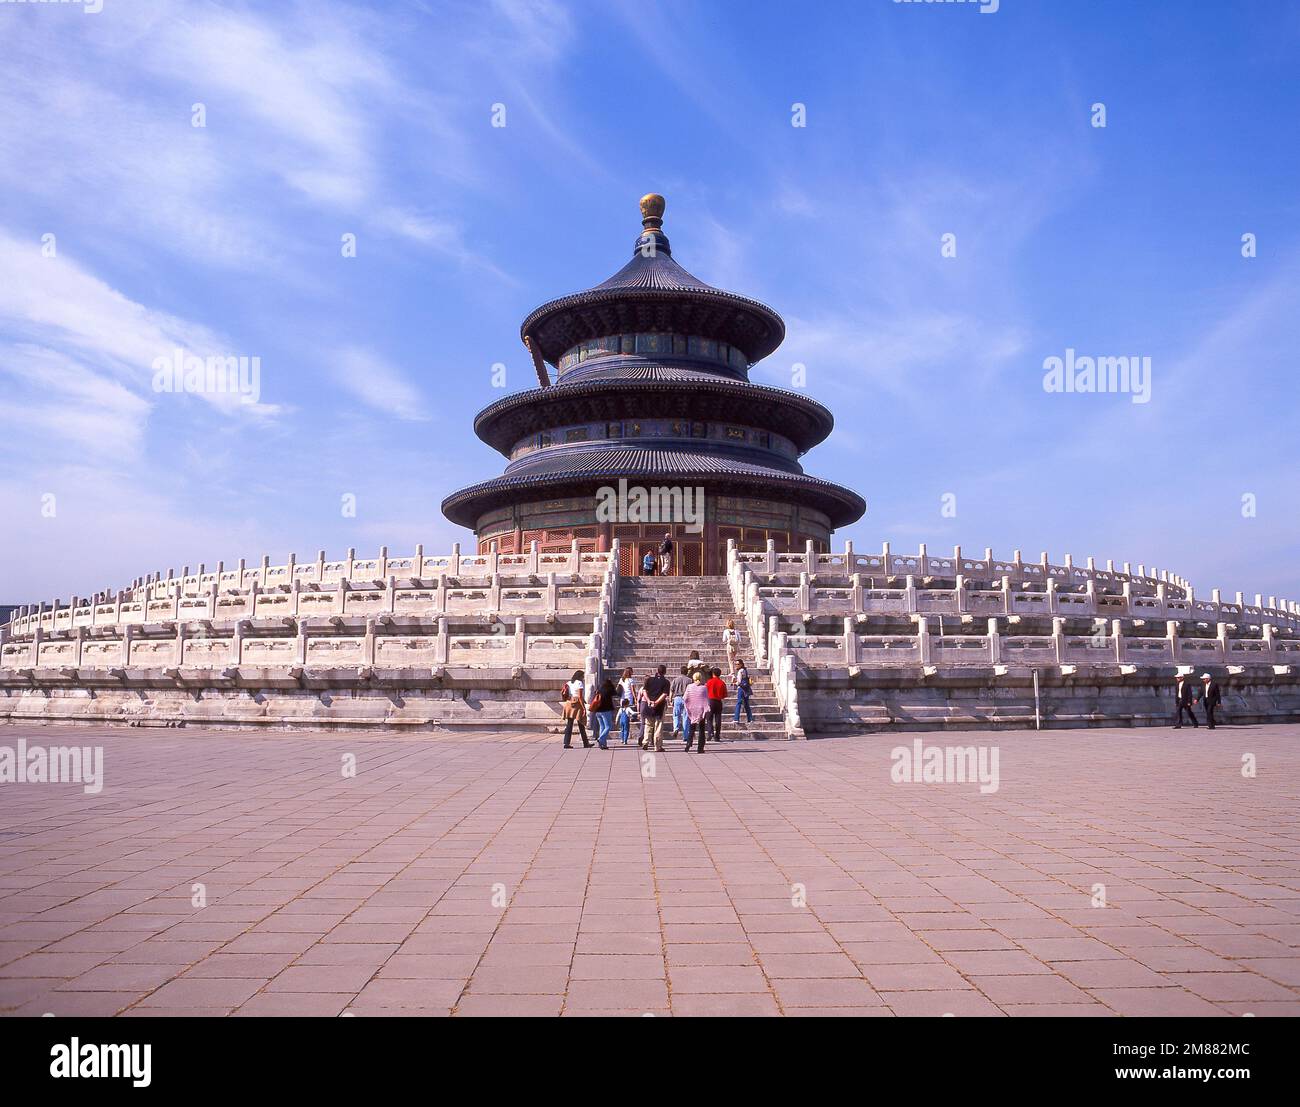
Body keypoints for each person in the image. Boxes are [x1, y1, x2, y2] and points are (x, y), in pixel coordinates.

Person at [641, 664, 671, 753]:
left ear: (657, 671)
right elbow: (664, 694)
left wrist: (649, 701)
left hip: (649, 705)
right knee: (658, 726)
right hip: (659, 707)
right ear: (664, 672)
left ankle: (645, 742)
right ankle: (657, 746)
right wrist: (656, 702)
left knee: (648, 725)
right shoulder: (666, 682)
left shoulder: (649, 680)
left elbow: (644, 691)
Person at [561, 670, 591, 749]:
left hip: (569, 703)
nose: (583, 678)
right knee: (581, 723)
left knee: (569, 724)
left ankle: (566, 743)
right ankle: (586, 743)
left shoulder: (569, 682)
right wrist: (584, 708)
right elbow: (580, 697)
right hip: (577, 703)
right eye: (583, 676)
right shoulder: (579, 683)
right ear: (580, 676)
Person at [683, 671, 711, 753]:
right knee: (701, 729)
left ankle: (688, 743)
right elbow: (706, 699)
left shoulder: (689, 686)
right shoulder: (704, 687)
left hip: (692, 709)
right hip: (701, 709)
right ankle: (700, 748)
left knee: (692, 728)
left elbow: (685, 698)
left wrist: (688, 705)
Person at [589, 678, 616, 749]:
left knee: (602, 726)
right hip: (606, 710)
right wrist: (612, 685)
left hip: (597, 711)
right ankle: (601, 739)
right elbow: (615, 693)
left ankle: (603, 744)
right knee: (608, 726)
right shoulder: (609, 689)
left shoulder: (599, 690)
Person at [706, 667, 727, 743]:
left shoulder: (709, 682)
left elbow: (706, 692)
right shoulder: (722, 683)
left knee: (709, 718)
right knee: (718, 719)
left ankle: (710, 733)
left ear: (713, 674)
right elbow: (724, 695)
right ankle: (717, 736)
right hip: (718, 701)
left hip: (710, 701)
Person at [670, 665, 690, 737]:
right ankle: (685, 735)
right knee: (686, 717)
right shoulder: (689, 680)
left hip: (677, 698)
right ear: (687, 672)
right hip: (686, 698)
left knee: (676, 715)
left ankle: (676, 728)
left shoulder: (675, 680)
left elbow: (671, 690)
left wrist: (670, 699)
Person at [733, 659, 753, 725]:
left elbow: (739, 681)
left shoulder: (740, 671)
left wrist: (734, 683)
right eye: (735, 664)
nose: (736, 665)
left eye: (738, 664)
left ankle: (736, 718)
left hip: (741, 689)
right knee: (746, 704)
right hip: (746, 688)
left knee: (739, 703)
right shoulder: (745, 670)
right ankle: (750, 719)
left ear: (741, 664)